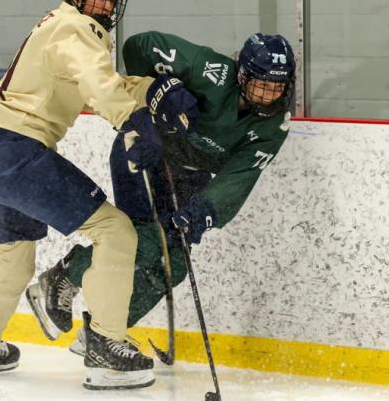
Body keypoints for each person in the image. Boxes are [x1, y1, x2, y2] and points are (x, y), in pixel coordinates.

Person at [0, 0, 196, 391]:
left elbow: (102, 79)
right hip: (16, 153)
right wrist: (132, 121)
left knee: (14, 256)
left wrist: (151, 91)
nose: (107, 4)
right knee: (116, 232)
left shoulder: (63, 29)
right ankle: (106, 344)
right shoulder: (75, 29)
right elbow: (99, 85)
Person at [26, 30, 296, 355]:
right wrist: (158, 96)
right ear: (242, 76)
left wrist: (204, 209)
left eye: (277, 87)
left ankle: (102, 333)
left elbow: (241, 175)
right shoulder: (208, 69)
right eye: (262, 85)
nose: (269, 95)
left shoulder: (274, 125)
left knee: (174, 263)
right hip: (146, 151)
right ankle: (65, 275)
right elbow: (138, 46)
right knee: (144, 238)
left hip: (188, 175)